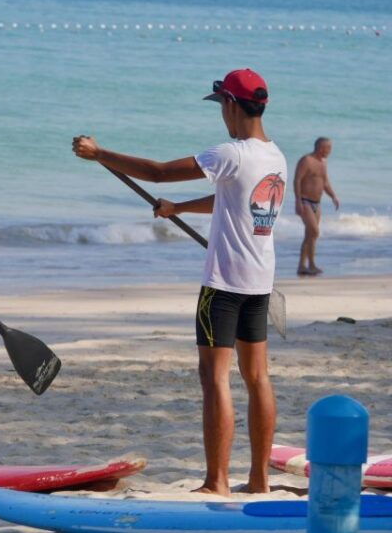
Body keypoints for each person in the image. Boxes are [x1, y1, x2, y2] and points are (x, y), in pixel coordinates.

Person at [72, 68, 287, 496]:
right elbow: (234, 198)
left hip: (223, 286)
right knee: (258, 377)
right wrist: (181, 209)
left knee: (216, 379)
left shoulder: (232, 153)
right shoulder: (275, 156)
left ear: (231, 104)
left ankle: (217, 481)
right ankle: (260, 479)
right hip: (259, 282)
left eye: (221, 107)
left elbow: (156, 171)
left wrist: (99, 154)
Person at [294, 137, 339, 276]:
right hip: (305, 201)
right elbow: (297, 180)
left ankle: (304, 266)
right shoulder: (306, 160)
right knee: (314, 231)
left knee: (311, 235)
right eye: (328, 148)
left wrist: (333, 196)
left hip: (317, 203)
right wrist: (298, 201)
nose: (330, 151)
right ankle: (309, 265)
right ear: (321, 147)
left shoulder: (323, 163)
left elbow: (325, 183)